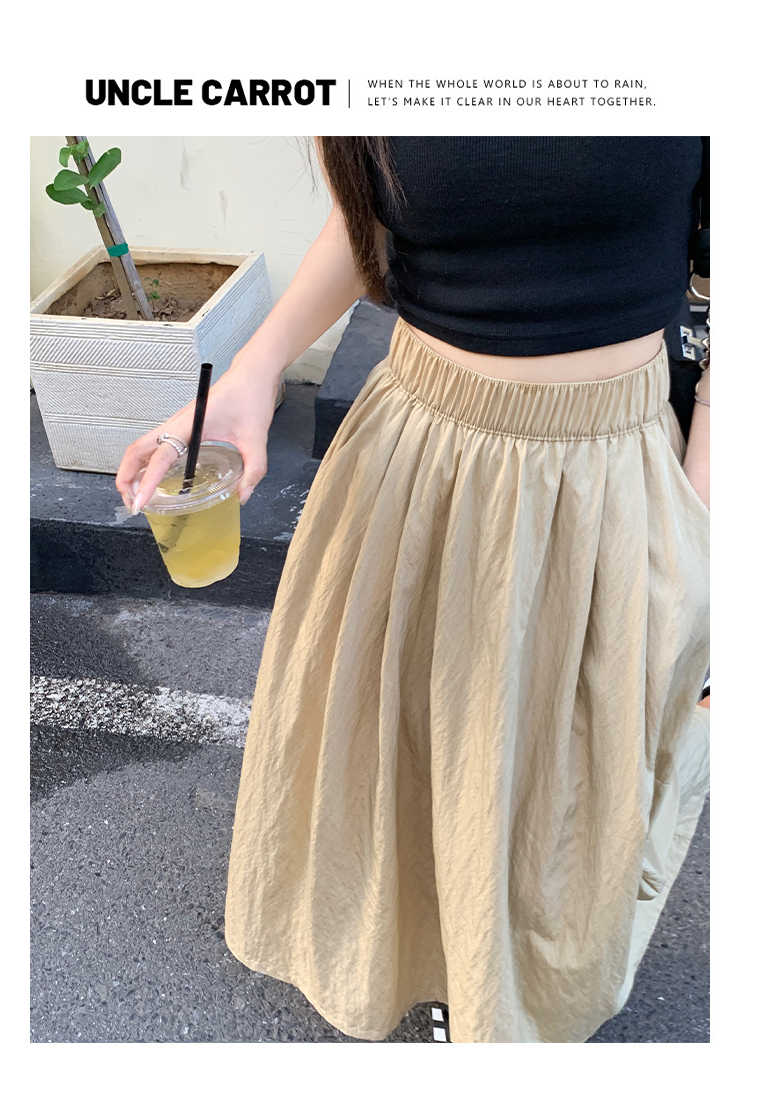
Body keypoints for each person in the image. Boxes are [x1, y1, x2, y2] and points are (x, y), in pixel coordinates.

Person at [116, 137, 710, 1043]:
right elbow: (362, 227)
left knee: (559, 774)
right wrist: (252, 372)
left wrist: (702, 530)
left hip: (607, 477)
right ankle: (426, 966)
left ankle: (504, 996)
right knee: (398, 745)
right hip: (415, 453)